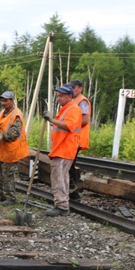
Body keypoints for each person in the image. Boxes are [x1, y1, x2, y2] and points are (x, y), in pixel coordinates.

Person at [0, 91, 28, 205]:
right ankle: (1, 195)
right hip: (1, 150)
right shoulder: (3, 112)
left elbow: (15, 132)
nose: (3, 102)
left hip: (11, 150)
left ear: (12, 100)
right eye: (2, 100)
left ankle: (11, 198)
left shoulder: (16, 114)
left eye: (6, 100)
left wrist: (2, 136)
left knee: (7, 174)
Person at [43, 84, 82, 216]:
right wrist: (52, 120)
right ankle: (62, 204)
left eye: (61, 96)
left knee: (58, 178)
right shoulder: (65, 109)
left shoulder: (73, 109)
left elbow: (68, 126)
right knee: (61, 178)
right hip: (61, 148)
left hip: (64, 149)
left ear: (69, 96)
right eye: (58, 96)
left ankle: (62, 206)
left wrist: (51, 119)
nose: (58, 98)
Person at [68, 79, 91, 200]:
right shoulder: (73, 100)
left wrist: (68, 125)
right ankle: (72, 191)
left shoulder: (82, 101)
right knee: (69, 164)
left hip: (77, 138)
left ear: (80, 88)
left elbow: (85, 120)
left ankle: (74, 191)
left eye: (74, 87)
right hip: (72, 138)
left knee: (69, 165)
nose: (72, 89)